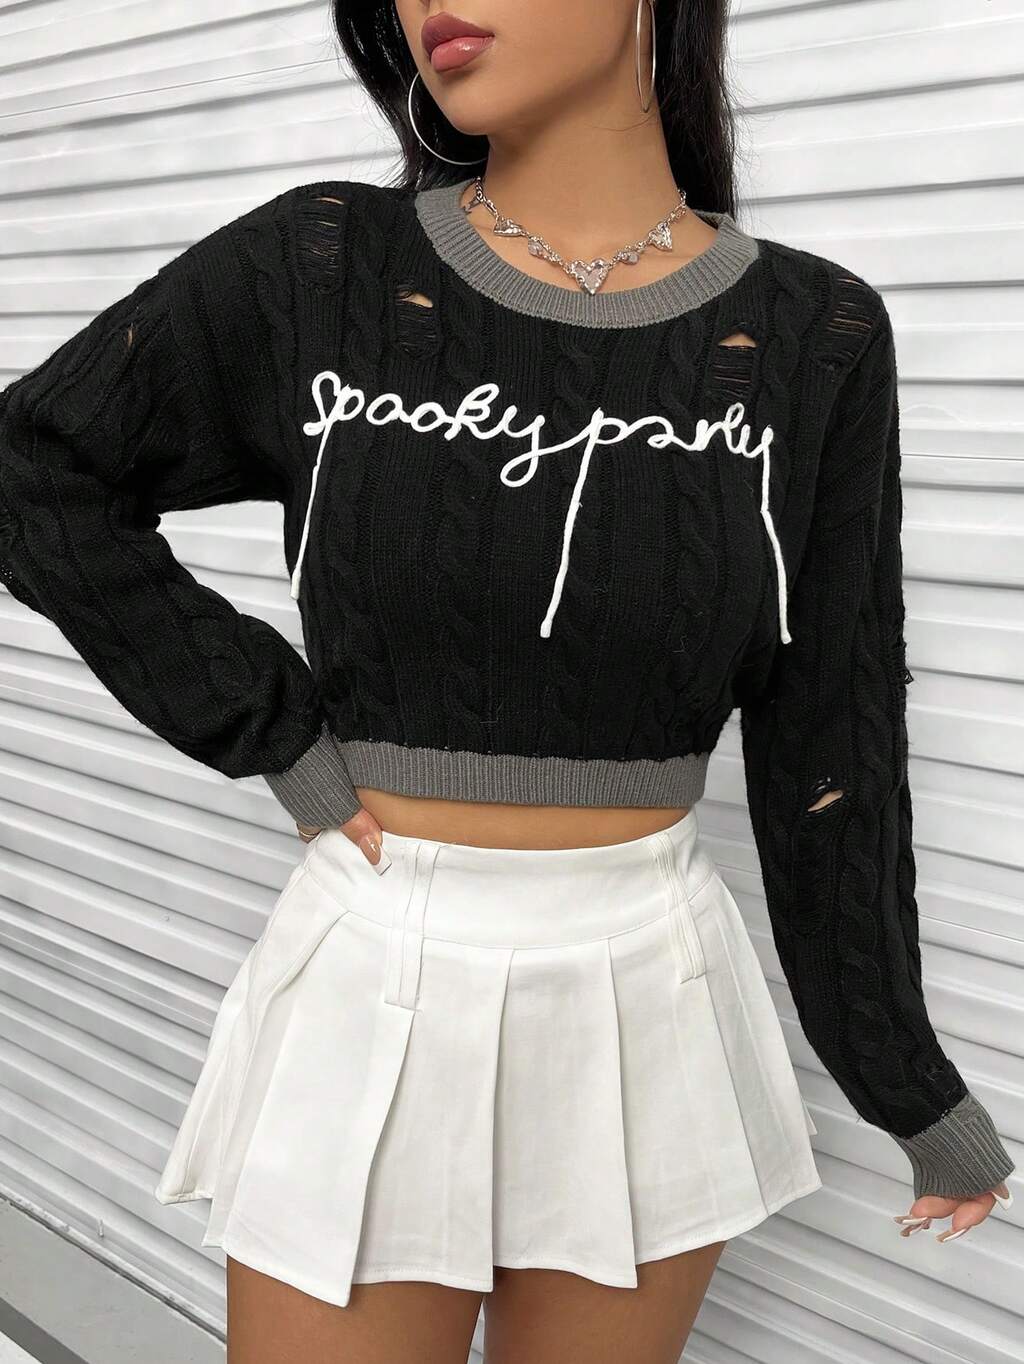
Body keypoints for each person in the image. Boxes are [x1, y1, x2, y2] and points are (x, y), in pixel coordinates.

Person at [0, 2, 1014, 1360]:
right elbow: (34, 466)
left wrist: (903, 1078)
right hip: (375, 969)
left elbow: (833, 725)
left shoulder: (811, 331)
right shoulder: (324, 266)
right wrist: (265, 724)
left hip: (651, 992)